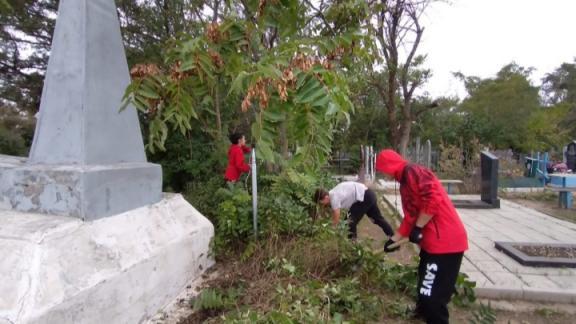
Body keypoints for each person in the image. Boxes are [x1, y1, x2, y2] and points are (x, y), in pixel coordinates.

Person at [376, 149, 468, 324]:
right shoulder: (404, 182)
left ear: (389, 166)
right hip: (432, 244)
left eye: (382, 170)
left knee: (432, 298)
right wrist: (393, 240)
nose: (383, 174)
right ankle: (421, 314)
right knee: (424, 285)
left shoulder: (414, 172)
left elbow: (433, 199)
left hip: (446, 242)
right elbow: (410, 216)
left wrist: (418, 227)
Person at [314, 181, 394, 240]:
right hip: (368, 194)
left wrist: (333, 228)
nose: (322, 205)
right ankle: (393, 237)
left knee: (349, 221)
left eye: (321, 203)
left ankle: (352, 244)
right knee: (377, 219)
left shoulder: (334, 197)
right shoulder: (333, 193)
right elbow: (334, 212)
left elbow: (336, 214)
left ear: (325, 197)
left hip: (364, 196)